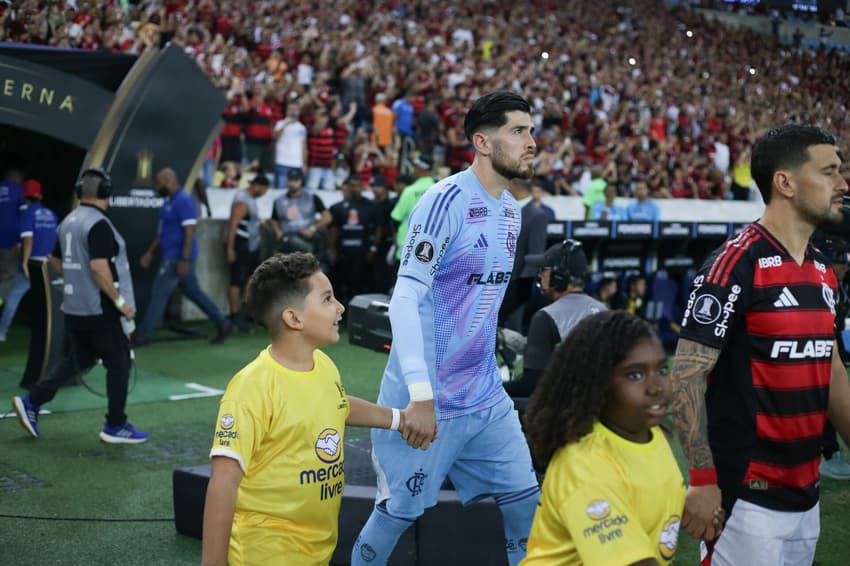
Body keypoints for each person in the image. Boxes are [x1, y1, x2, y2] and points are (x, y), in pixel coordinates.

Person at [351, 91, 541, 566]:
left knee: (528, 507)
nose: (531, 142)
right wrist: (419, 395)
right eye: (518, 131)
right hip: (425, 403)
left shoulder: (512, 211)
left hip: (485, 400)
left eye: (531, 130)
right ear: (482, 141)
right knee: (396, 515)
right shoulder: (444, 201)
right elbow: (404, 299)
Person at [671, 124, 850, 565]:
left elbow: (831, 368)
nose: (843, 184)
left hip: (807, 499)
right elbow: (687, 374)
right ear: (785, 183)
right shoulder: (736, 262)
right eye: (829, 172)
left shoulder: (822, 269)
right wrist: (701, 477)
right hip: (747, 502)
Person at [201, 252, 432, 566]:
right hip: (268, 551)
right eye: (327, 300)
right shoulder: (251, 388)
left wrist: (400, 419)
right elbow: (223, 482)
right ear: (293, 319)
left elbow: (336, 404)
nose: (339, 307)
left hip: (316, 548)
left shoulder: (322, 364)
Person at [521, 310, 700, 564]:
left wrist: (682, 505)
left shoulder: (647, 432)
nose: (657, 387)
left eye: (661, 369)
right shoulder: (584, 464)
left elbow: (639, 492)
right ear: (597, 384)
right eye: (635, 375)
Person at [12, 168, 148, 443]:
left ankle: (32, 402)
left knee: (78, 361)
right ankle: (115, 424)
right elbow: (99, 268)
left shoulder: (68, 221)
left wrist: (78, 281)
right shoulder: (98, 224)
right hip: (100, 310)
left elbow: (55, 260)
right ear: (106, 193)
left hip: (75, 309)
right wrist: (121, 302)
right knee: (119, 364)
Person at [135, 167, 232, 346]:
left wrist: (184, 259)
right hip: (172, 255)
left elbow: (189, 232)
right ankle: (223, 323)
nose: (156, 187)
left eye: (158, 183)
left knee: (159, 294)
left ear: (168, 181)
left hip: (177, 257)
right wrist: (150, 251)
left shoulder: (184, 201)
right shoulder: (168, 202)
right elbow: (163, 232)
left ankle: (142, 334)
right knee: (193, 292)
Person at [504, 240, 605, 398]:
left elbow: (531, 386)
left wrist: (488, 392)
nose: (539, 274)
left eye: (544, 270)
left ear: (559, 276)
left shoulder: (546, 316)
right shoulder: (603, 310)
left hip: (566, 412)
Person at [0, 179, 58, 341]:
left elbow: (28, 240)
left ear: (24, 196)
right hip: (47, 263)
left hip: (32, 264)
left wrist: (25, 262)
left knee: (13, 299)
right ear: (40, 195)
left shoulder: (27, 214)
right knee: (46, 301)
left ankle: (1, 332)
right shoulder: (51, 214)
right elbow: (52, 239)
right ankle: (50, 334)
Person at [499, 178, 549, 329]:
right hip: (499, 279)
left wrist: (522, 288)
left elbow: (536, 252)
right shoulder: (504, 208)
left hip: (517, 283)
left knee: (512, 325)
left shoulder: (536, 215)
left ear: (514, 185)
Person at [819, 247, 850, 480]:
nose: (844, 267)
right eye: (840, 262)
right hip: (819, 346)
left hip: (834, 341)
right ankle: (829, 454)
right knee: (823, 400)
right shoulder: (823, 283)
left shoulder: (841, 286)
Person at [225, 174, 269, 330]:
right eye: (264, 190)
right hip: (240, 244)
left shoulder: (251, 199)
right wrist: (230, 248)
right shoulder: (242, 200)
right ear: (258, 186)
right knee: (236, 279)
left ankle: (244, 311)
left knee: (250, 278)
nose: (264, 193)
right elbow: (233, 225)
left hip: (250, 245)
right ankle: (235, 314)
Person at [268, 168, 331, 257]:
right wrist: (278, 232)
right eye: (290, 180)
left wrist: (312, 229)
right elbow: (274, 219)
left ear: (301, 181)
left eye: (296, 180)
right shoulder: (279, 200)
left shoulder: (312, 198)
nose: (293, 183)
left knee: (314, 247)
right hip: (287, 236)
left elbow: (327, 217)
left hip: (306, 236)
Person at [388, 155, 434, 264]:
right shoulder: (439, 188)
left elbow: (395, 218)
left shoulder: (410, 191)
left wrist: (394, 243)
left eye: (416, 166)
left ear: (421, 168)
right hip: (429, 248)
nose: (414, 169)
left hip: (406, 247)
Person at [0, 165, 24, 307]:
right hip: (10, 243)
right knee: (7, 277)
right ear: (17, 178)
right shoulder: (19, 191)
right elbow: (24, 217)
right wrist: (20, 243)